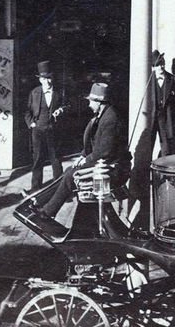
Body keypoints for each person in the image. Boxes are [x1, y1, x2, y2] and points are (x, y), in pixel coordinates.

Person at [33, 82, 127, 221]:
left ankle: (48, 212)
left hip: (111, 167)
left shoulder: (110, 120)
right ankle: (40, 201)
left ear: (99, 102)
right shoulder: (103, 115)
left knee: (71, 175)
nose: (89, 104)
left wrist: (86, 159)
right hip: (102, 163)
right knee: (68, 172)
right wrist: (82, 155)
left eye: (91, 101)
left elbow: (105, 151)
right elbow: (94, 144)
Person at [25, 59, 66, 193]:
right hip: (37, 129)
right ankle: (35, 188)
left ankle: (60, 189)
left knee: (55, 158)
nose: (47, 82)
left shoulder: (59, 92)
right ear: (40, 80)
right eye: (44, 79)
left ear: (52, 78)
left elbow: (68, 105)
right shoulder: (34, 92)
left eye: (49, 78)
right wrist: (31, 123)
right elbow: (27, 111)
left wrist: (62, 110)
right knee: (37, 159)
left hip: (53, 129)